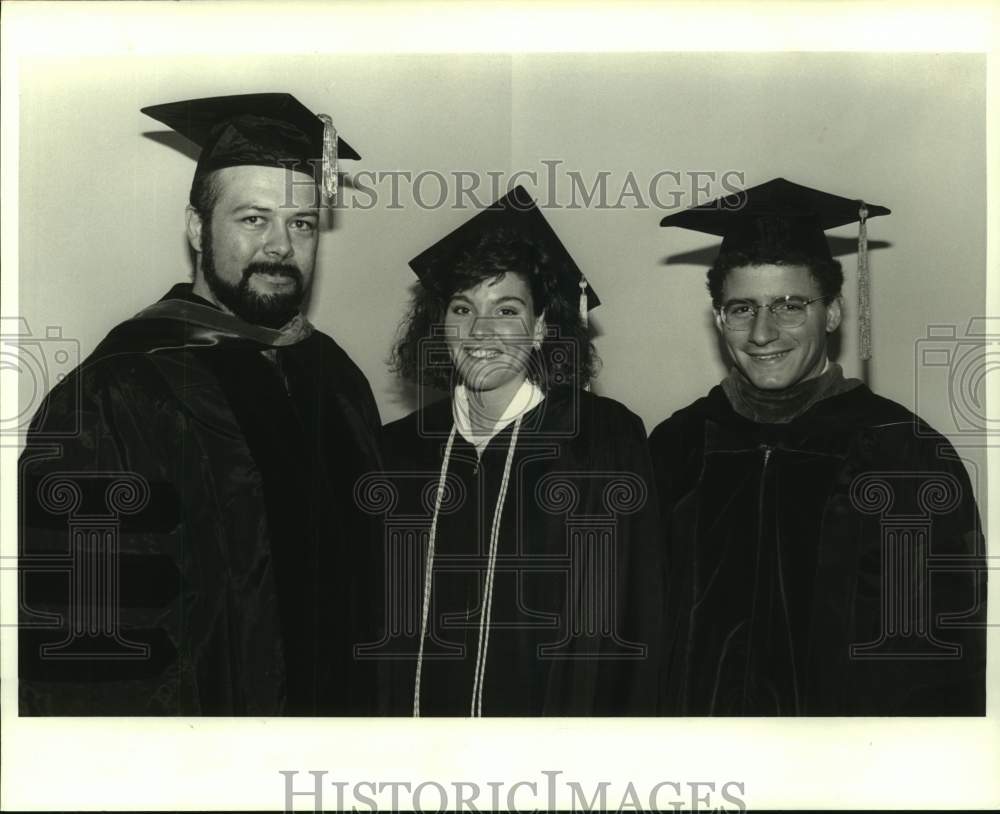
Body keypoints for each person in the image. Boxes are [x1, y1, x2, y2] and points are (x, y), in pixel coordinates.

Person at [18, 93, 384, 715]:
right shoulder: (119, 394)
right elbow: (84, 648)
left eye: (299, 223)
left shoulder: (335, 378)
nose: (280, 245)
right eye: (252, 219)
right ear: (197, 228)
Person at [651, 177, 986, 715]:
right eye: (742, 308)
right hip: (702, 767)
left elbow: (940, 658)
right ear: (719, 319)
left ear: (831, 313)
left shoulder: (903, 455)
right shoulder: (678, 447)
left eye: (789, 306)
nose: (763, 333)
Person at [375, 186, 662, 715]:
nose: (480, 330)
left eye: (506, 309)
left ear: (540, 328)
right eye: (462, 307)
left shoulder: (599, 442)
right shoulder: (399, 451)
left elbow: (632, 615)